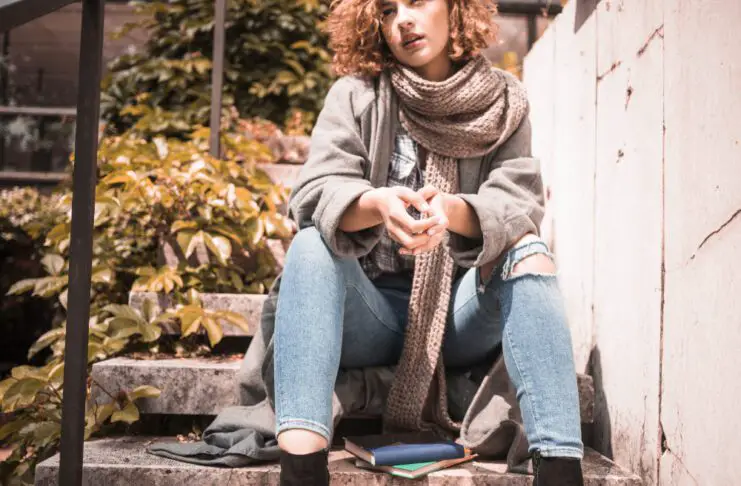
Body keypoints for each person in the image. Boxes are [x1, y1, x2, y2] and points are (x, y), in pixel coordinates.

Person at [273, 0, 585, 484]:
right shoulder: (355, 95)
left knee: (528, 251)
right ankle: (301, 473)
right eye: (387, 9)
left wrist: (454, 211)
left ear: (456, 8)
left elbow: (519, 204)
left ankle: (561, 470)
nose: (403, 20)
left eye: (416, 2)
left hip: (457, 319)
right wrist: (375, 204)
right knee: (312, 243)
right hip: (368, 313)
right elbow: (315, 194)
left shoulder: (503, 101)